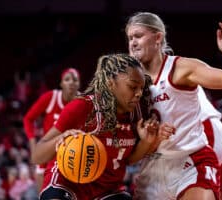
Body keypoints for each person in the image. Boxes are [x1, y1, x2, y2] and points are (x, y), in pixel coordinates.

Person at [125, 12, 222, 199]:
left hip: (190, 159)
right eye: (130, 38)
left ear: (158, 37)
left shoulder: (181, 68)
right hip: (152, 166)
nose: (133, 43)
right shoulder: (127, 80)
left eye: (138, 36)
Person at [32, 53, 169, 200]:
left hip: (107, 190)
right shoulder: (83, 106)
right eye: (132, 87)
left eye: (141, 88)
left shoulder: (137, 113)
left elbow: (127, 160)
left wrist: (146, 142)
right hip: (67, 183)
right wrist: (60, 139)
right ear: (110, 83)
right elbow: (37, 156)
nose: (138, 94)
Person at [23, 67, 80, 191]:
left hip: (72, 152)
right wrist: (33, 144)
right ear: (61, 83)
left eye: (75, 80)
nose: (71, 82)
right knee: (43, 190)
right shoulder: (51, 97)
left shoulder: (83, 102)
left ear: (79, 84)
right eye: (67, 79)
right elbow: (28, 119)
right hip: (49, 149)